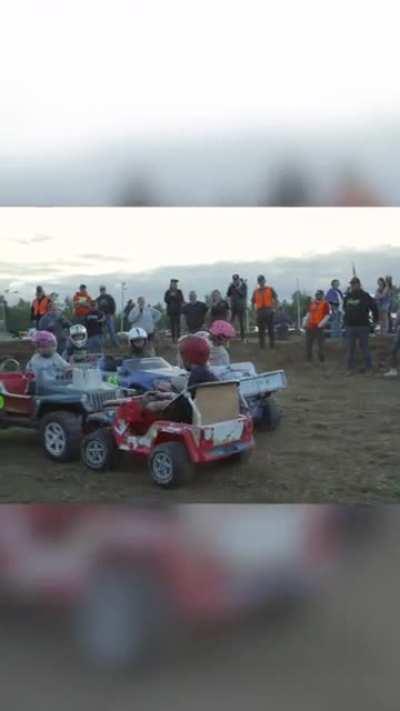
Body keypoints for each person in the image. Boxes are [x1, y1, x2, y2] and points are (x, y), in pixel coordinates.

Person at [343, 277, 379, 375]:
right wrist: (345, 322)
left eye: (354, 284)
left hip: (363, 326)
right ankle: (349, 369)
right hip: (350, 326)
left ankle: (369, 369)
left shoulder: (365, 296)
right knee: (350, 348)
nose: (353, 286)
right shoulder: (348, 296)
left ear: (359, 284)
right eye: (351, 284)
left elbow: (374, 308)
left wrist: (375, 320)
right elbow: (344, 309)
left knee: (365, 348)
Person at [303, 290, 331, 363]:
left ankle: (321, 359)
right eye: (317, 294)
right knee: (308, 344)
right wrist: (305, 323)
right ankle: (309, 359)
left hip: (319, 327)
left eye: (319, 295)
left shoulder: (325, 304)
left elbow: (327, 315)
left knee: (320, 344)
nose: (317, 296)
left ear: (322, 295)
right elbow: (309, 313)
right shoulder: (312, 303)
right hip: (310, 326)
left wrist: (321, 324)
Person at [251, 275, 278, 349]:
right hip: (260, 312)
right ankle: (262, 346)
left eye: (262, 280)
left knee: (270, 329)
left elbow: (276, 298)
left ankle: (272, 345)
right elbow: (252, 302)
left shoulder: (270, 289)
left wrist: (275, 308)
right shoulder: (255, 291)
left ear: (264, 281)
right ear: (258, 282)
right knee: (261, 331)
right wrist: (253, 312)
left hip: (269, 311)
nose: (261, 282)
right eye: (260, 281)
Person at [227, 274, 247, 340]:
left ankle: (243, 337)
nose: (235, 281)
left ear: (239, 279)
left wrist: (237, 289)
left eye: (236, 279)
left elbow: (243, 295)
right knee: (231, 321)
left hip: (241, 306)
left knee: (241, 322)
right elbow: (228, 294)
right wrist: (230, 286)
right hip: (234, 306)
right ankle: (229, 336)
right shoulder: (232, 286)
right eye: (234, 280)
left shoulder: (243, 285)